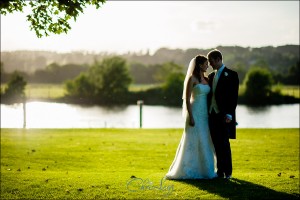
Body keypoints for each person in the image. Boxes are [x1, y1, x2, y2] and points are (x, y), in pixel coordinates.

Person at [165, 55, 217, 179]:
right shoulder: (191, 79)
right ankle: (189, 168)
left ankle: (206, 169)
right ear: (199, 65)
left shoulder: (207, 79)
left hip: (205, 114)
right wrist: (191, 116)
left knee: (205, 140)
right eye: (205, 64)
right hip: (194, 112)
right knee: (192, 140)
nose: (208, 65)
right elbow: (187, 99)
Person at [207, 49, 239, 180]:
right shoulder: (210, 76)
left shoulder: (231, 74)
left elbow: (233, 97)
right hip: (212, 114)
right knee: (216, 144)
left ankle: (228, 172)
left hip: (225, 115)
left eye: (211, 62)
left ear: (218, 59)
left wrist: (230, 114)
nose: (210, 65)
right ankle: (220, 171)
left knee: (224, 143)